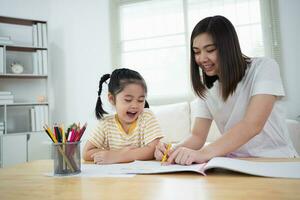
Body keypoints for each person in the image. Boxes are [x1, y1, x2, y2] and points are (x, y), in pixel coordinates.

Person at [154, 15, 299, 165]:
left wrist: (203, 153)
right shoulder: (207, 87)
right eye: (196, 52)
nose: (202, 58)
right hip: (235, 164)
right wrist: (171, 151)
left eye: (209, 50)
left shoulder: (264, 67)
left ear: (228, 47)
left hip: (277, 160)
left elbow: (252, 125)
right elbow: (197, 136)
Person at [83, 68, 163, 164]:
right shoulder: (106, 124)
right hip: (116, 177)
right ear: (112, 99)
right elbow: (86, 153)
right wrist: (114, 154)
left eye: (141, 100)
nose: (135, 105)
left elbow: (153, 149)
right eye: (128, 100)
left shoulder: (146, 117)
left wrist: (118, 156)